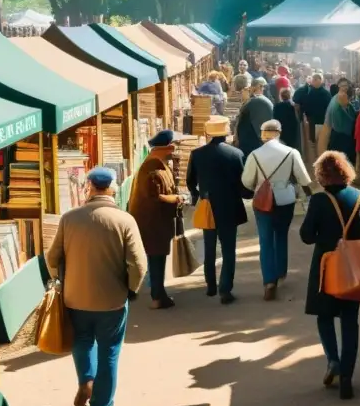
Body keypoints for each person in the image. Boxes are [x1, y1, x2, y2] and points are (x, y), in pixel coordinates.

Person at [46, 167, 147, 406]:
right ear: (112, 188)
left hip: (75, 298)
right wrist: (131, 288)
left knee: (81, 341)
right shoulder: (125, 220)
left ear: (88, 187)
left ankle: (86, 380)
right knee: (110, 351)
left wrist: (62, 280)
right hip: (112, 301)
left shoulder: (69, 219)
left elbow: (52, 257)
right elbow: (138, 264)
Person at [299, 151, 360, 400]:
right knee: (350, 321)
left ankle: (333, 360)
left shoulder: (319, 201)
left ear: (321, 175)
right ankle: (348, 378)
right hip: (354, 267)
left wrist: (326, 239)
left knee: (325, 315)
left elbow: (306, 236)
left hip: (325, 267)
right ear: (346, 172)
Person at [242, 119, 313, 300]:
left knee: (265, 241)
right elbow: (304, 179)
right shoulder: (291, 152)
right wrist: (311, 196)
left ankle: (269, 281)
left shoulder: (255, 154)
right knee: (281, 235)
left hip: (262, 202)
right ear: (279, 133)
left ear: (263, 134)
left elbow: (246, 181)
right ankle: (281, 271)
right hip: (285, 199)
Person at [187, 116, 248, 305]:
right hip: (230, 206)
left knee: (210, 245)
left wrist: (198, 196)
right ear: (225, 133)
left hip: (208, 205)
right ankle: (225, 289)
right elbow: (243, 183)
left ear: (207, 133)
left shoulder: (197, 154)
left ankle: (210, 285)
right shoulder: (236, 154)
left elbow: (190, 181)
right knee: (229, 249)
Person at [128, 130, 184, 309]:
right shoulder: (151, 168)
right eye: (173, 145)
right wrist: (176, 199)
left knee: (158, 258)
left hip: (158, 222)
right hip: (152, 223)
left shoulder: (159, 164)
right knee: (155, 258)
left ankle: (159, 293)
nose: (175, 148)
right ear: (166, 147)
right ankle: (157, 296)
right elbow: (155, 197)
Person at [235, 77, 274, 159]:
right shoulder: (256, 100)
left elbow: (260, 129)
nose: (249, 89)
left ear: (259, 87)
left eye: (251, 86)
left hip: (253, 147)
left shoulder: (259, 101)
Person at [325, 90, 357, 162]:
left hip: (349, 139)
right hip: (339, 139)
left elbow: (354, 118)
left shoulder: (350, 107)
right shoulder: (336, 109)